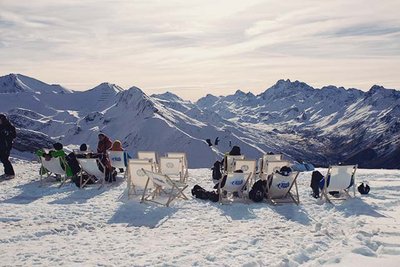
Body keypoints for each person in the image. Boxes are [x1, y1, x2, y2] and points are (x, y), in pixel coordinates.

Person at [0, 114, 16, 179]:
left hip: (6, 146)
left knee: (5, 159)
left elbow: (14, 136)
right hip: (1, 145)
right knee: (3, 159)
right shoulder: (1, 126)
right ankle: (7, 172)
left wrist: (7, 134)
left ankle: (11, 173)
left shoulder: (9, 127)